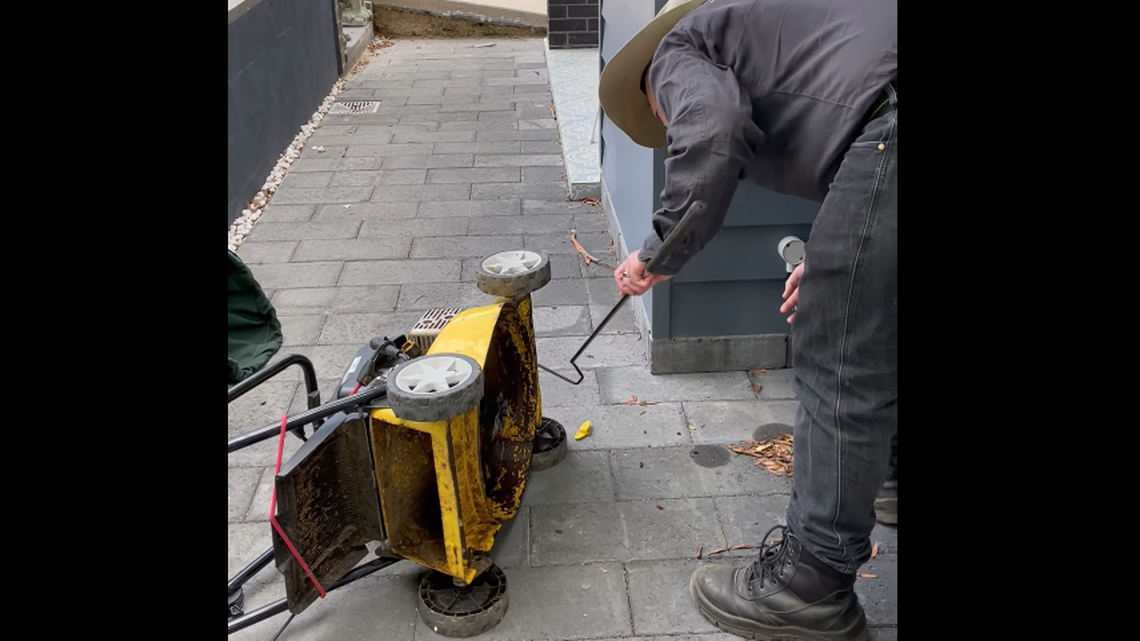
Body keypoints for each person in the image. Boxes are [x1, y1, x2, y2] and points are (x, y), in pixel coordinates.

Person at [597, 0, 896, 639]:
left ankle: (810, 587)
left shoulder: (676, 51)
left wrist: (658, 252)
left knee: (841, 361)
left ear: (652, 91)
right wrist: (832, 257)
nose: (669, 119)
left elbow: (712, 129)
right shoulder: (789, 35)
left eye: (663, 115)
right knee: (879, 320)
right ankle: (889, 474)